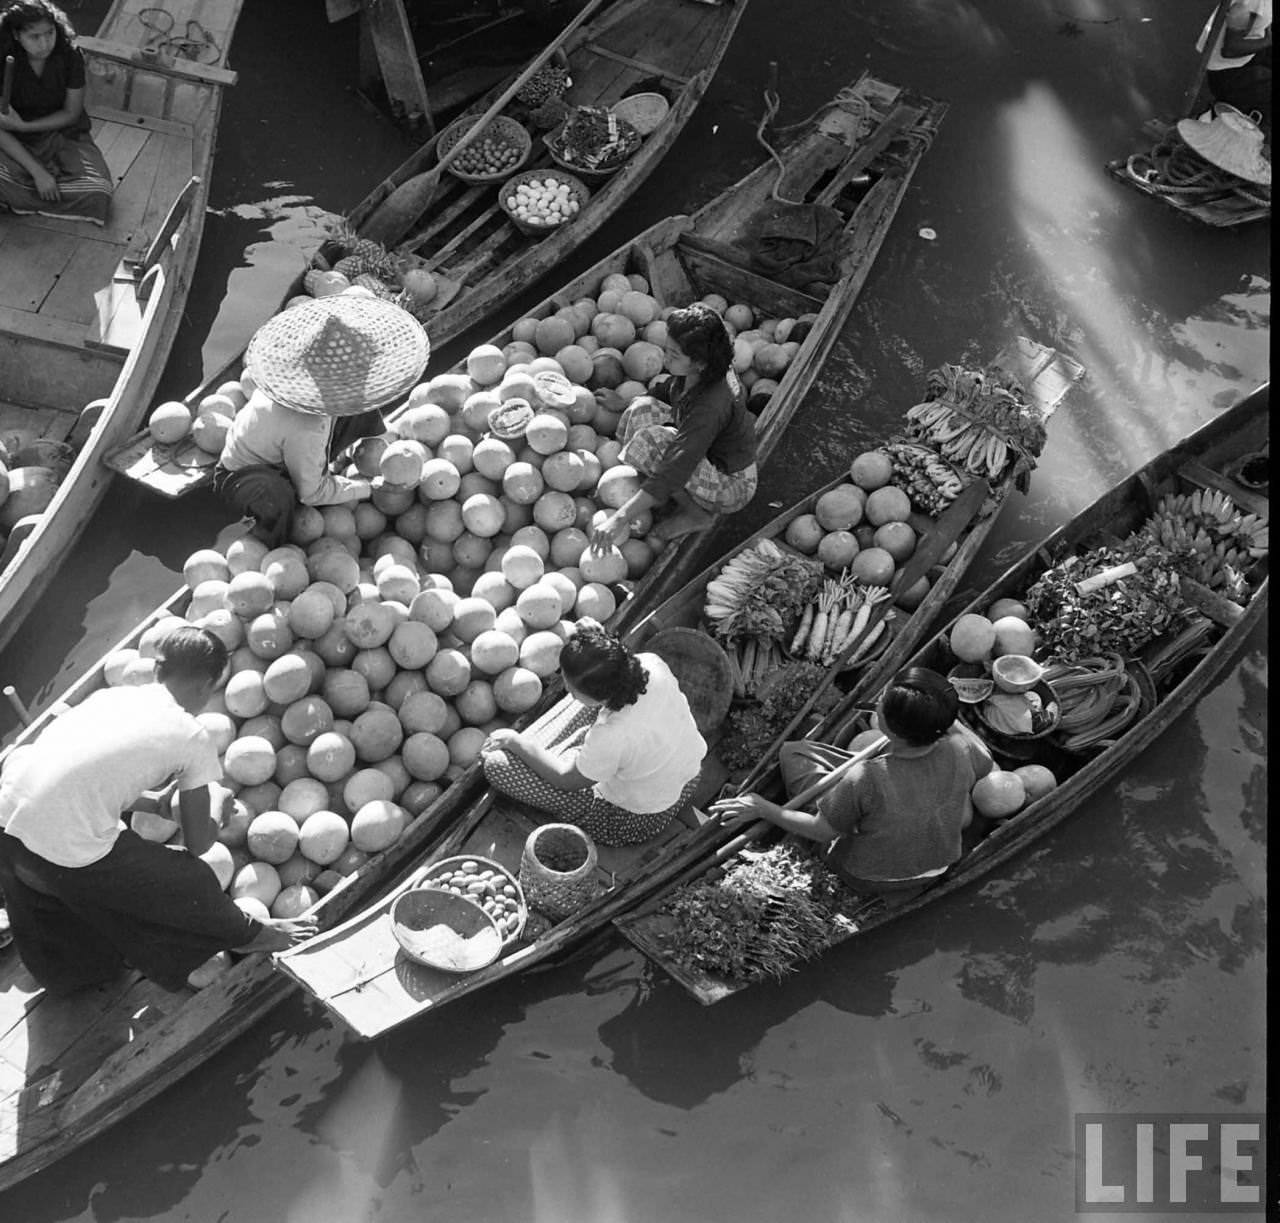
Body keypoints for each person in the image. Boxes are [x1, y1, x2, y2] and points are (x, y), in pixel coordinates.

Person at [0, 626, 316, 993]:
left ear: (158, 671)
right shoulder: (190, 736)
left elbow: (84, 778)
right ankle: (250, 934)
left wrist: (156, 804)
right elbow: (199, 843)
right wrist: (216, 806)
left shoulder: (111, 698)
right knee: (188, 879)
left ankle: (67, 974)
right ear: (208, 684)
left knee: (52, 922)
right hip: (62, 843)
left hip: (7, 819)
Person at [711, 667, 994, 902]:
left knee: (793, 752)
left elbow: (821, 832)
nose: (878, 704)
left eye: (881, 704)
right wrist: (944, 718)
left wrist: (763, 808)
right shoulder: (960, 748)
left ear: (892, 728)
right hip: (938, 865)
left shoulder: (867, 777)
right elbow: (985, 761)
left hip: (864, 876)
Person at [214, 293, 430, 546]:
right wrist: (370, 487)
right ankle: (274, 544)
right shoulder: (309, 426)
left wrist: (389, 448)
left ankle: (362, 450)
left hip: (287, 450)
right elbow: (311, 493)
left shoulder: (295, 384)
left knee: (360, 406)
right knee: (278, 497)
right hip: (244, 479)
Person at [480, 619, 706, 846]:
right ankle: (575, 755)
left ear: (600, 694)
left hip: (631, 819)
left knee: (496, 766)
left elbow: (566, 780)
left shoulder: (611, 735)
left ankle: (560, 755)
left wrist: (515, 741)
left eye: (573, 689)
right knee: (582, 713)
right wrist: (601, 643)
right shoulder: (650, 664)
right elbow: (614, 665)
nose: (568, 689)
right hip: (687, 779)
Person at [589, 302, 758, 547]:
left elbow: (678, 463)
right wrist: (624, 402)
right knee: (640, 409)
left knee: (655, 443)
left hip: (731, 483)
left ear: (699, 362)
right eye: (667, 349)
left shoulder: (711, 404)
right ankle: (653, 495)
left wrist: (619, 518)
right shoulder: (705, 369)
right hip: (705, 453)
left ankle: (696, 514)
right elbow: (669, 390)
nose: (665, 358)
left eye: (674, 355)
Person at [0, 1, 113, 224]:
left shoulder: (69, 55)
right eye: (34, 37)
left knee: (99, 192)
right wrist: (38, 172)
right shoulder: (3, 59)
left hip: (63, 136)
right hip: (13, 141)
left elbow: (71, 113)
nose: (45, 44)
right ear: (16, 35)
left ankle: (14, 198)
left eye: (49, 33)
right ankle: (27, 191)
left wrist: (24, 126)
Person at [1197, 0, 1271, 127]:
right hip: (1225, 74)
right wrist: (1267, 42)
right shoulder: (1254, 3)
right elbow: (1230, 49)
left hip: (1241, 61)